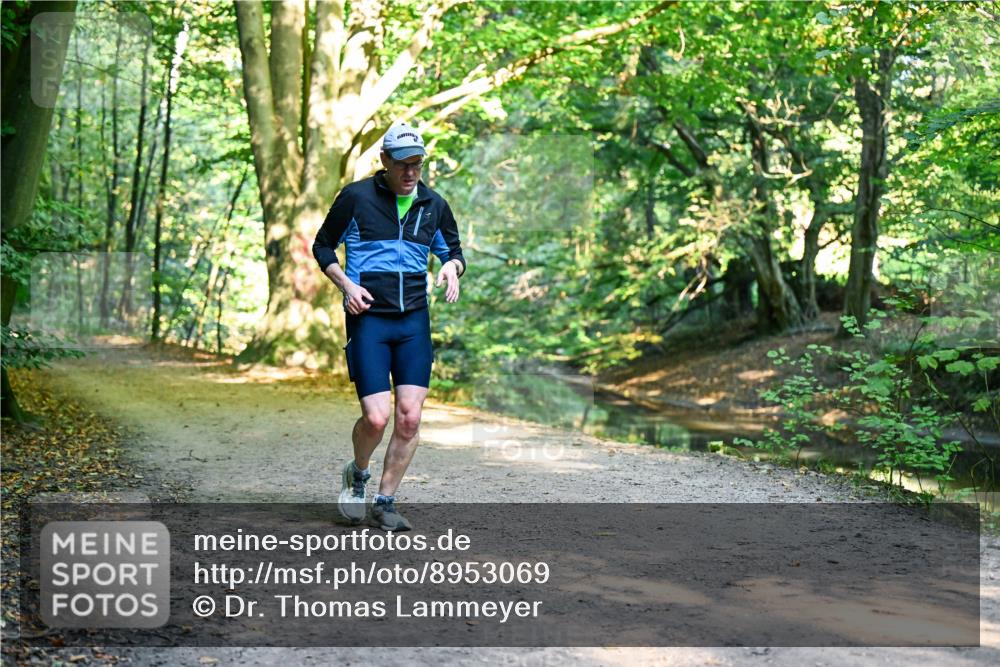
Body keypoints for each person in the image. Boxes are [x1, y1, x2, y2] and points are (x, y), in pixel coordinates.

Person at [312, 122, 466, 531]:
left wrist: (452, 267)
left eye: (417, 164)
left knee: (410, 418)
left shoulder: (434, 205)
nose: (411, 173)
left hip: (414, 321)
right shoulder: (356, 198)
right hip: (369, 321)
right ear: (384, 161)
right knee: (377, 418)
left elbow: (453, 250)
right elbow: (322, 245)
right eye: (402, 165)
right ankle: (358, 473)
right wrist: (345, 285)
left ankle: (386, 501)